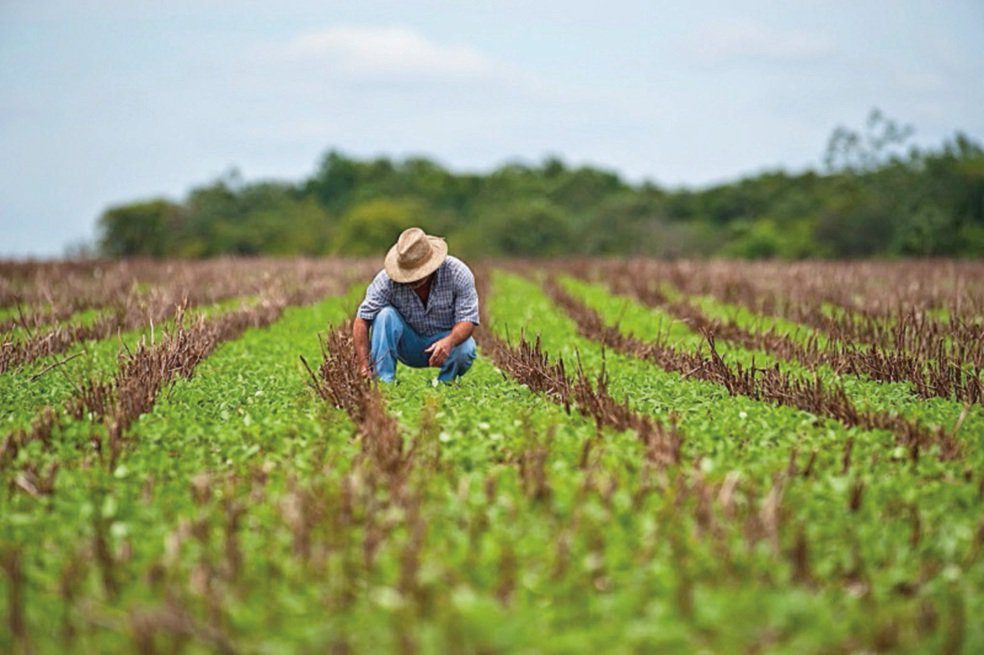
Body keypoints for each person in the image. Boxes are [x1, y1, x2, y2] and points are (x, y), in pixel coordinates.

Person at [353, 227, 479, 383]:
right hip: (408, 344)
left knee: (466, 348)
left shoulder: (458, 273)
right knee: (385, 316)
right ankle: (384, 383)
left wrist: (449, 341)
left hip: (445, 341)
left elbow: (467, 319)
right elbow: (362, 319)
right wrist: (364, 365)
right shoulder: (386, 280)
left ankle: (445, 384)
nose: (413, 279)